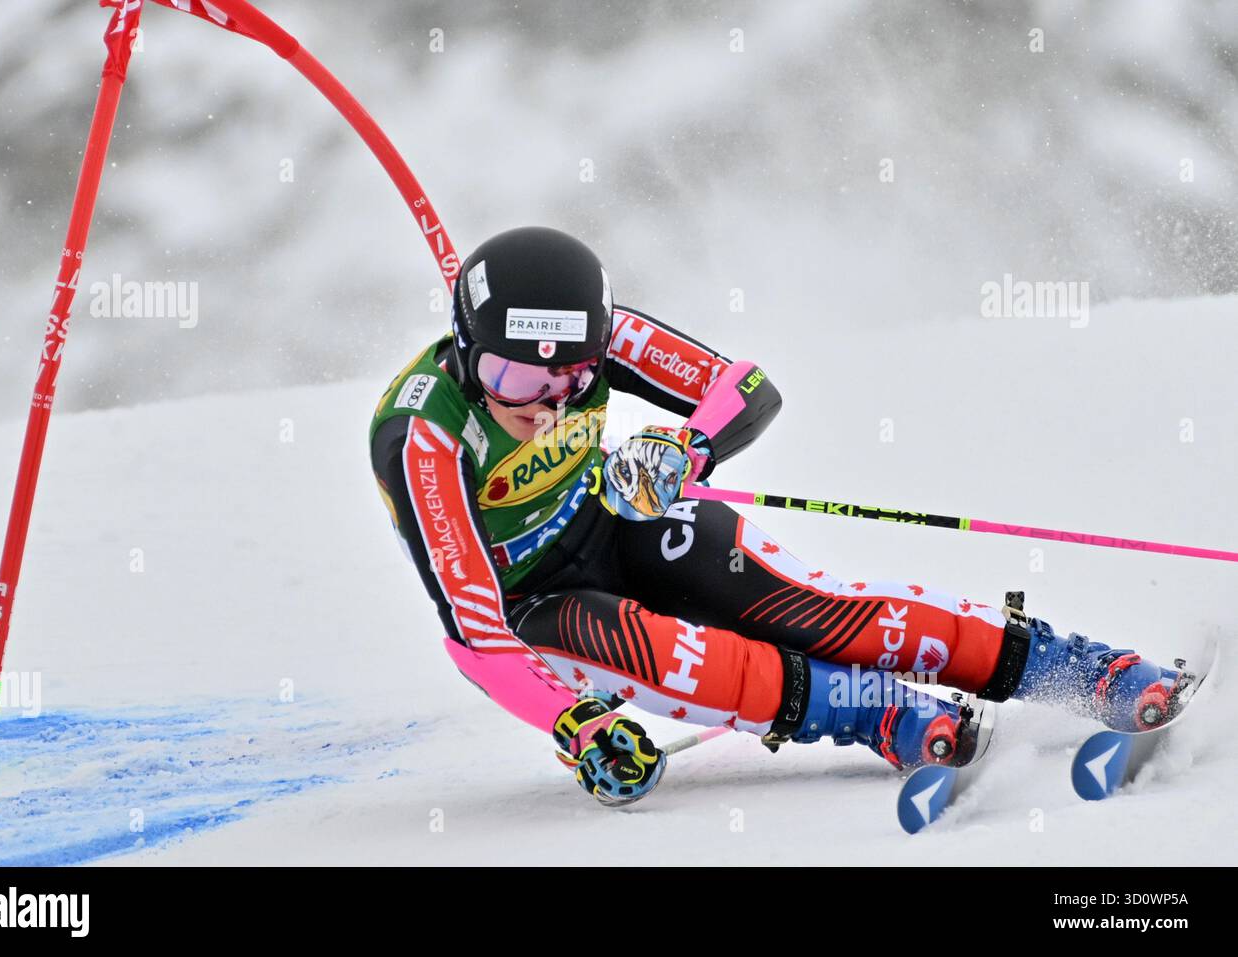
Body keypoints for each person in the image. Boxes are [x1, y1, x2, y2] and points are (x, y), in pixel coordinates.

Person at [369, 226, 1187, 805]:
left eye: (573, 380)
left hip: (617, 514)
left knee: (807, 608)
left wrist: (684, 452)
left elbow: (746, 387)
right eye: (514, 379)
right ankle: (880, 711)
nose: (545, 402)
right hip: (532, 606)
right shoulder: (423, 436)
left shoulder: (598, 336)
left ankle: (1077, 669)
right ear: (467, 354)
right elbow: (475, 625)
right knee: (683, 657)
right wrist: (573, 723)